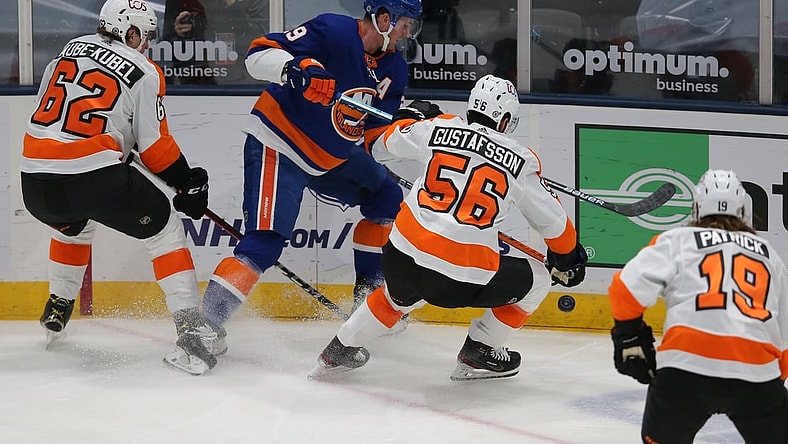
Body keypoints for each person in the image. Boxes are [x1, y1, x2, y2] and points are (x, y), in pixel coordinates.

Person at [309, 74, 589, 381]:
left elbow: (380, 147)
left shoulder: (438, 128)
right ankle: (480, 351)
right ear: (506, 118)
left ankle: (338, 351)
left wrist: (412, 117)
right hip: (459, 278)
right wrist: (567, 259)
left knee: (397, 294)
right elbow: (556, 227)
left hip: (400, 257)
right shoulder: (521, 161)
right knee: (538, 280)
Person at [198, 0, 424, 355]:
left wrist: (412, 128)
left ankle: (367, 300)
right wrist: (295, 69)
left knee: (386, 197)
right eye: (405, 23)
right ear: (384, 18)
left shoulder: (395, 68)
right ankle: (204, 327)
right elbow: (257, 54)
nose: (408, 32)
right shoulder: (333, 31)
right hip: (280, 144)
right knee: (265, 242)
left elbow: (374, 142)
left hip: (333, 158)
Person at [20, 0, 217, 376]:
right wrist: (186, 182)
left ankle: (58, 305)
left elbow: (55, 118)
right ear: (128, 32)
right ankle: (190, 330)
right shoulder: (144, 70)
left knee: (74, 225)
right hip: (91, 175)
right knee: (165, 231)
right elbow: (155, 149)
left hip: (35, 180)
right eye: (143, 35)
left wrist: (114, 142)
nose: (146, 44)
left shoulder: (64, 52)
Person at [608, 169, 788, 443]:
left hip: (685, 367)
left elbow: (625, 288)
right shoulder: (770, 256)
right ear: (744, 210)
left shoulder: (677, 240)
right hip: (755, 370)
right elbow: (785, 335)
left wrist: (628, 336)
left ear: (696, 208)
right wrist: (771, 390)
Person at [162, 0, 269, 84]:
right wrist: (179, 34)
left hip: (241, 81)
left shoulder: (255, 2)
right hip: (192, 77)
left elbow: (260, 39)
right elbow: (165, 45)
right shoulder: (180, 2)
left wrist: (232, 5)